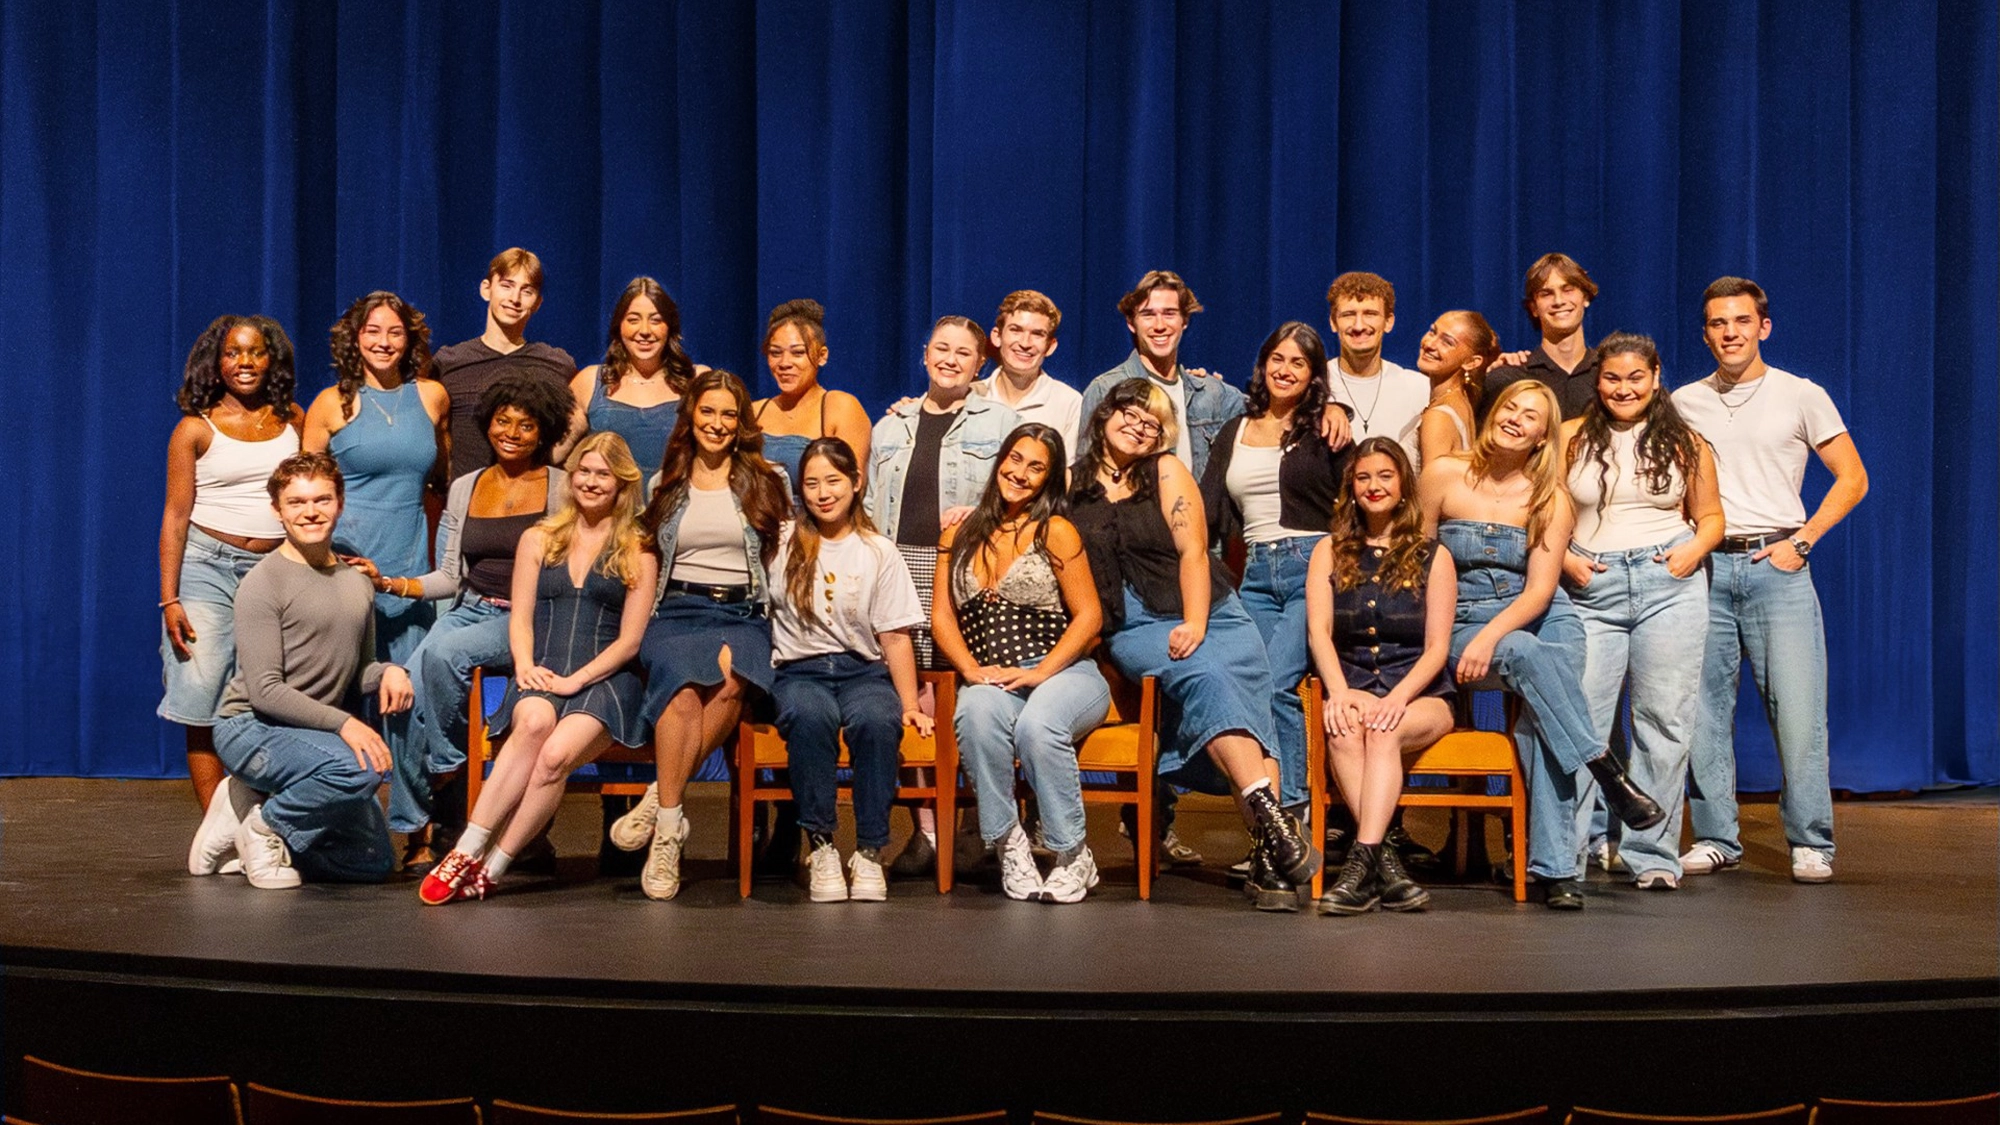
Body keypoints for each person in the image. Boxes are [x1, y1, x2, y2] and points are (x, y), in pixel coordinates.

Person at [1069, 379, 1319, 911]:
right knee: (1208, 678)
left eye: (1152, 422)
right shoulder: (1071, 488)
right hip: (1133, 625)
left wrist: (1198, 623)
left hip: (1212, 612)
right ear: (1103, 416)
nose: (1139, 426)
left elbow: (1193, 552)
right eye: (1130, 414)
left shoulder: (1164, 470)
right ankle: (1274, 822)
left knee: (1247, 694)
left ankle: (1270, 861)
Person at [1420, 380, 1665, 909]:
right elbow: (1415, 563)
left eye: (1530, 416)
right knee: (1532, 665)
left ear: (1542, 437)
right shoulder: (1442, 474)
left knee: (1541, 721)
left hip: (1540, 616)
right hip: (1458, 618)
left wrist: (1493, 635)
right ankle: (1605, 770)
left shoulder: (1550, 499)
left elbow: (1539, 592)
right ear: (1493, 415)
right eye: (1509, 407)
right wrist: (1474, 636)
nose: (1515, 418)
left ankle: (1554, 872)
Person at [1673, 277, 1868, 884]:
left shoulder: (1801, 395)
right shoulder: (1682, 401)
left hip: (1774, 566)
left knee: (1798, 709)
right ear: (1705, 332)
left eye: (1740, 321)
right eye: (1716, 324)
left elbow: (1852, 478)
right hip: (1705, 566)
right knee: (1702, 710)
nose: (1729, 333)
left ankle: (1812, 841)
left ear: (1764, 327)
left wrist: (1801, 542)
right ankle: (1715, 837)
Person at [418, 433, 659, 903]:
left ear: (622, 483)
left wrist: (578, 679)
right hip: (544, 667)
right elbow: (520, 617)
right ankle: (466, 850)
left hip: (605, 680)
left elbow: (631, 641)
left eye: (603, 474)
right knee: (531, 721)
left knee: (553, 757)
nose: (591, 482)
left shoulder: (639, 549)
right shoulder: (539, 538)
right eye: (583, 472)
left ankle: (494, 866)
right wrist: (525, 665)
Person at [355, 374, 574, 866]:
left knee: (442, 652)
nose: (512, 432)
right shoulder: (465, 487)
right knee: (402, 686)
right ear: (488, 424)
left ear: (544, 432)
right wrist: (391, 582)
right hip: (470, 608)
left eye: (526, 425)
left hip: (529, 618)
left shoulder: (562, 489)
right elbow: (451, 578)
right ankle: (416, 831)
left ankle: (449, 764)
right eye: (503, 421)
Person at [188, 452, 413, 888]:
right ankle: (264, 827)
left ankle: (242, 817)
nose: (311, 512)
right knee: (360, 769)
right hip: (251, 728)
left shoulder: (355, 581)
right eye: (296, 502)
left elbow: (359, 668)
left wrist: (388, 672)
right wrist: (346, 724)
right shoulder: (263, 583)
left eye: (322, 499)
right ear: (277, 510)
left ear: (340, 503)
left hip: (313, 736)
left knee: (372, 863)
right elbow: (266, 692)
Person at [607, 370, 790, 900]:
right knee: (683, 688)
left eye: (728, 415)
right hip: (679, 609)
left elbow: (782, 554)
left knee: (734, 679)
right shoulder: (667, 479)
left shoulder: (766, 478)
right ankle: (670, 831)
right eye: (707, 412)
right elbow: (645, 549)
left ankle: (658, 804)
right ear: (691, 417)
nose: (717, 424)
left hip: (744, 612)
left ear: (741, 425)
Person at [1561, 332, 1724, 891]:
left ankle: (1652, 856)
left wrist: (1691, 554)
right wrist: (1563, 558)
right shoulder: (1569, 437)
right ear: (1597, 381)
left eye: (1636, 377)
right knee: (1582, 723)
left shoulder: (1686, 441)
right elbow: (1538, 511)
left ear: (1655, 377)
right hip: (1591, 584)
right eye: (1612, 378)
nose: (1623, 388)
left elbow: (1712, 518)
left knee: (1664, 721)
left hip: (1668, 584)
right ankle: (1570, 854)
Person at [934, 424, 1109, 903]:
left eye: (1036, 467)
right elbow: (941, 615)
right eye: (1015, 459)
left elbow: (1090, 614)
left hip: (1066, 673)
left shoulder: (1055, 529)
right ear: (999, 461)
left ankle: (1073, 853)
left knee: (1038, 725)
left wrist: (1041, 671)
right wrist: (969, 669)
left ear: (1049, 479)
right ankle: (1011, 845)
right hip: (996, 675)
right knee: (974, 712)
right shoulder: (961, 531)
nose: (1020, 473)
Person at [303, 292, 450, 845]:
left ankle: (416, 829)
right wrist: (329, 562)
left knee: (409, 701)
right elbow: (307, 491)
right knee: (336, 695)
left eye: (394, 332)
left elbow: (439, 479)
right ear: (354, 338)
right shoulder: (328, 405)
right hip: (342, 567)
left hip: (410, 565)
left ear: (409, 339)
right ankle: (333, 827)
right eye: (372, 331)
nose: (383, 341)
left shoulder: (431, 398)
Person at [1198, 322, 1347, 848]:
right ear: (1263, 365)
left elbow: (1358, 502)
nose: (1285, 370)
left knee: (1279, 682)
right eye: (1277, 359)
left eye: (1299, 363)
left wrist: (1339, 412)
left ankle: (1295, 820)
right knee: (1243, 686)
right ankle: (1266, 830)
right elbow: (1208, 514)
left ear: (1313, 377)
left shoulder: (1327, 429)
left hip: (1314, 565)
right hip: (1256, 574)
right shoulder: (1235, 429)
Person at [766, 438, 932, 902]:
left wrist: (909, 704)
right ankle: (820, 846)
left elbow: (895, 636)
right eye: (812, 483)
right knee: (810, 717)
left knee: (878, 721)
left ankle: (870, 850)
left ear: (857, 483)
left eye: (833, 481)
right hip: (801, 671)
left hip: (863, 671)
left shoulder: (878, 550)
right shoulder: (781, 542)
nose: (823, 493)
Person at [167, 316, 305, 874]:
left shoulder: (294, 420)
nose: (244, 362)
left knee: (268, 696)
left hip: (275, 567)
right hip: (206, 564)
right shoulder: (194, 429)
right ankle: (218, 830)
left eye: (255, 352)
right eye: (232, 353)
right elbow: (176, 517)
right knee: (201, 691)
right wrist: (169, 598)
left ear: (271, 360)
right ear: (216, 361)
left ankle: (262, 824)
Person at [1306, 438, 1458, 914]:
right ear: (1351, 487)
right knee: (1345, 732)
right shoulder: (1327, 552)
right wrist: (1339, 692)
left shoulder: (1436, 556)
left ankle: (1358, 866)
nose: (1374, 486)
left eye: (1385, 476)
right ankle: (1383, 865)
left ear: (1403, 485)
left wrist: (1399, 698)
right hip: (1351, 686)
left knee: (1383, 728)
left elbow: (1437, 649)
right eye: (1364, 477)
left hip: (1422, 695)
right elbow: (1319, 633)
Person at [434, 248, 579, 479]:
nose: (515, 298)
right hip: (467, 504)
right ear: (486, 289)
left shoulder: (556, 364)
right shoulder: (449, 362)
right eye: (507, 285)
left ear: (538, 302)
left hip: (534, 504)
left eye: (527, 290)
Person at [567, 277, 701, 484]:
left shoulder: (697, 381)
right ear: (619, 326)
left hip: (677, 511)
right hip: (612, 515)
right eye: (633, 319)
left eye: (656, 320)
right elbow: (555, 453)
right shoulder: (590, 381)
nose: (645, 330)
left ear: (670, 327)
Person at [752, 299, 873, 479]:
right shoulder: (754, 411)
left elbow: (847, 488)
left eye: (798, 353)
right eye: (775, 353)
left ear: (822, 356)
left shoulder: (840, 407)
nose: (785, 363)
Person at [1479, 252, 1602, 425]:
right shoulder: (1508, 377)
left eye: (1568, 290)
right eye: (1546, 294)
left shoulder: (1608, 376)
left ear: (1586, 298)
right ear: (1533, 308)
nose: (1558, 301)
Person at [1324, 272, 1428, 466]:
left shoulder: (1419, 387)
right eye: (1348, 315)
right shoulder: (1314, 384)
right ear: (1333, 322)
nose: (1359, 326)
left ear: (1388, 322)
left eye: (1370, 314)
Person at [972, 290, 1084, 454]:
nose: (1025, 343)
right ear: (997, 337)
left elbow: (1069, 474)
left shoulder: (1069, 404)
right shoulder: (972, 396)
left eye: (1037, 334)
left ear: (1051, 346)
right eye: (1016, 330)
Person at [1414, 310, 1500, 468]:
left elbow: (1434, 489)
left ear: (1471, 362)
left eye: (1447, 342)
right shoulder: (1463, 401)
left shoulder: (1439, 416)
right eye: (1433, 332)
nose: (1429, 344)